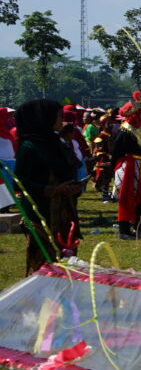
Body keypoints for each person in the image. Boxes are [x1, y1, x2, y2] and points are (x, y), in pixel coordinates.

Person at [13, 99, 81, 273]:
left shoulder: (57, 143)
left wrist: (74, 187)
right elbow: (19, 182)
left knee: (67, 261)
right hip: (41, 213)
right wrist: (51, 190)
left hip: (64, 212)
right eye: (58, 116)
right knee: (43, 263)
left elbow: (65, 172)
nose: (62, 120)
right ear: (43, 118)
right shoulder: (29, 147)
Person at [111, 99, 141, 239]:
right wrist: (114, 169)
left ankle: (138, 227)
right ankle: (124, 230)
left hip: (140, 164)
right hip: (128, 165)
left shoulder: (140, 128)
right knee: (127, 197)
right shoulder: (125, 130)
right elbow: (116, 151)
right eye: (140, 112)